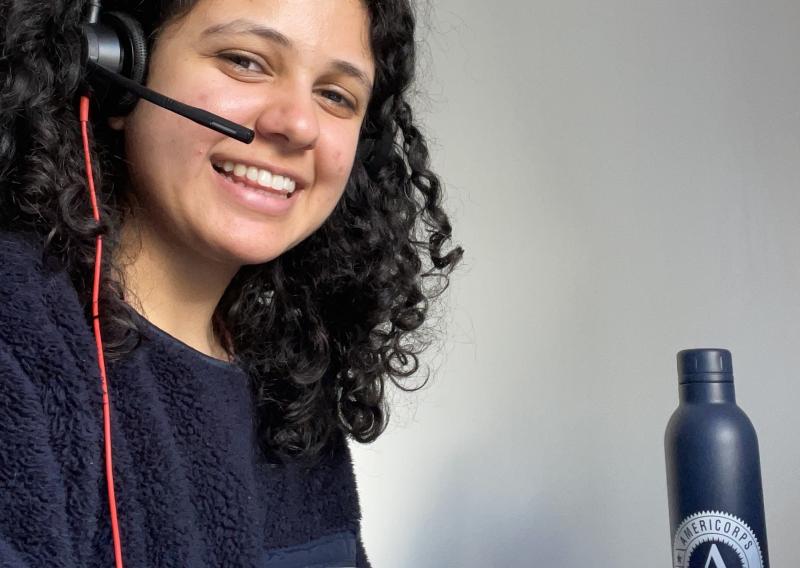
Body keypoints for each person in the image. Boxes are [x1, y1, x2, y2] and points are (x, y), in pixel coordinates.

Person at [0, 0, 462, 566]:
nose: (297, 125)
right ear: (113, 68)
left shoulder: (286, 396)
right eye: (246, 61)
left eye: (336, 95)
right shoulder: (17, 334)